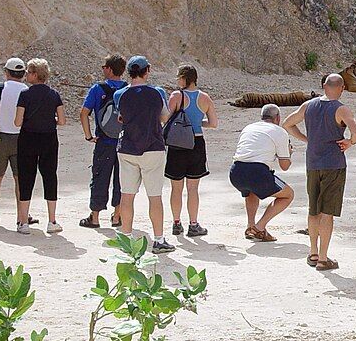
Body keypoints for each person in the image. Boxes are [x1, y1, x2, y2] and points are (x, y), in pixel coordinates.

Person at [282, 74, 356, 271]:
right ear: (342, 88)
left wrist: (306, 139)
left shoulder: (308, 106)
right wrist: (349, 143)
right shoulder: (341, 109)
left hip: (313, 163)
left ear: (323, 86)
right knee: (328, 212)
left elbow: (287, 123)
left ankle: (313, 252)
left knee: (313, 209)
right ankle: (324, 258)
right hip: (333, 163)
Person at [113, 56, 173, 253]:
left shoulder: (120, 94)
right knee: (154, 196)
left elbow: (120, 117)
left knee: (127, 195)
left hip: (128, 148)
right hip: (153, 147)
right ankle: (158, 239)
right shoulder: (156, 93)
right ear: (147, 70)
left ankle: (127, 239)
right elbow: (164, 117)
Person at [14, 59, 65, 234]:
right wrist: (51, 120)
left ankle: (24, 222)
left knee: (26, 178)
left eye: (28, 72)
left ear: (35, 74)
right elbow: (63, 120)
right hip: (49, 139)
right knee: (49, 176)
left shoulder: (25, 95)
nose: (26, 75)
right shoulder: (54, 94)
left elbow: (17, 121)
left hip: (28, 138)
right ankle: (52, 221)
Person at [229, 104, 294, 241]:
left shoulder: (249, 127)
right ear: (277, 118)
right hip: (257, 172)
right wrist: (289, 153)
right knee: (288, 195)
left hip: (236, 171)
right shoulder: (279, 131)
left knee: (251, 191)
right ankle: (259, 227)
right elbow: (285, 166)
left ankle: (250, 226)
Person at [166, 65, 217, 237]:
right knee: (193, 188)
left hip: (178, 144)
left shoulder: (176, 96)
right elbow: (213, 123)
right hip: (196, 142)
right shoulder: (205, 98)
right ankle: (193, 224)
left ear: (184, 78)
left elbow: (166, 119)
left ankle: (176, 223)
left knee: (176, 187)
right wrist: (196, 123)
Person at [79, 55, 127, 229]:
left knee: (99, 177)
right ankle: (117, 216)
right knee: (121, 179)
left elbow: (84, 113)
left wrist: (89, 136)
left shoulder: (97, 89)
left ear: (109, 69)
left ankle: (95, 217)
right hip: (124, 143)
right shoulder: (128, 89)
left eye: (104, 66)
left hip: (104, 141)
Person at [0, 58, 32, 226]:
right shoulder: (26, 90)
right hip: (22, 139)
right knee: (20, 179)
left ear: (6, 72)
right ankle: (21, 216)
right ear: (23, 74)